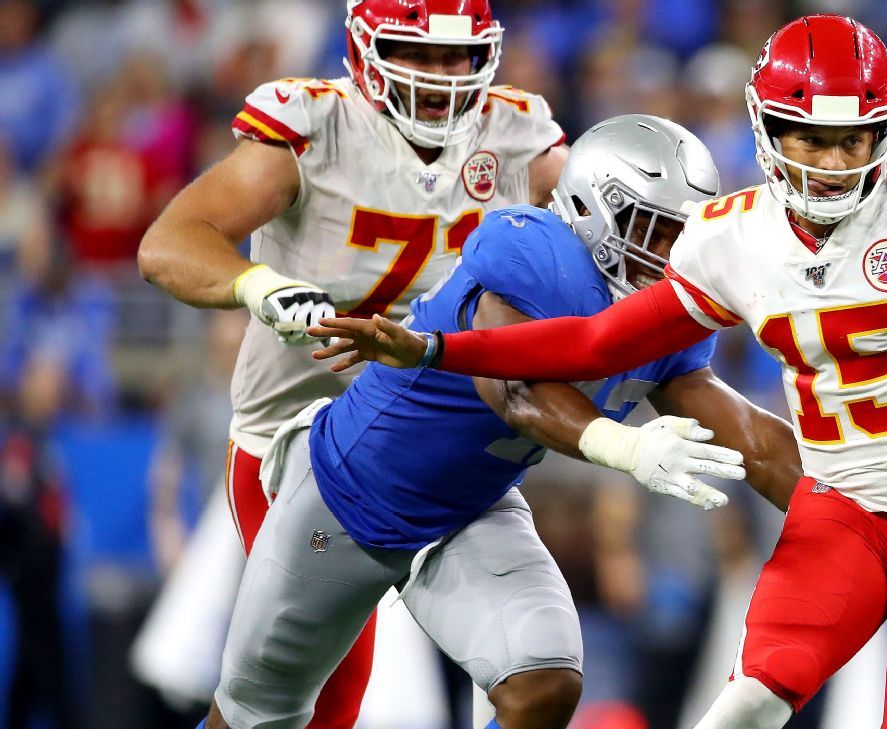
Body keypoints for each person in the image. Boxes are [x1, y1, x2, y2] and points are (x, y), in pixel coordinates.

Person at [315, 15, 887, 728]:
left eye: (855, 138)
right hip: (845, 508)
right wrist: (434, 348)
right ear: (768, 130)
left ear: (886, 132)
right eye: (809, 137)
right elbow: (594, 345)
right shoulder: (734, 237)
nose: (834, 161)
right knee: (753, 697)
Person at [206, 114, 801, 729]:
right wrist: (623, 446)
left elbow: (753, 440)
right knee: (256, 715)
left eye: (681, 235)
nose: (667, 254)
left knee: (543, 685)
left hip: (470, 511)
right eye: (652, 230)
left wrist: (856, 511)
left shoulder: (667, 321)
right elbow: (513, 387)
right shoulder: (534, 250)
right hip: (348, 493)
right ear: (592, 209)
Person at [136, 0, 568, 725]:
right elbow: (168, 243)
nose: (440, 77)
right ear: (365, 49)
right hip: (300, 441)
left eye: (456, 57)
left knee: (540, 681)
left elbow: (604, 260)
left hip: (445, 443)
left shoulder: (520, 135)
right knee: (316, 699)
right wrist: (257, 282)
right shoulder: (313, 129)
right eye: (418, 54)